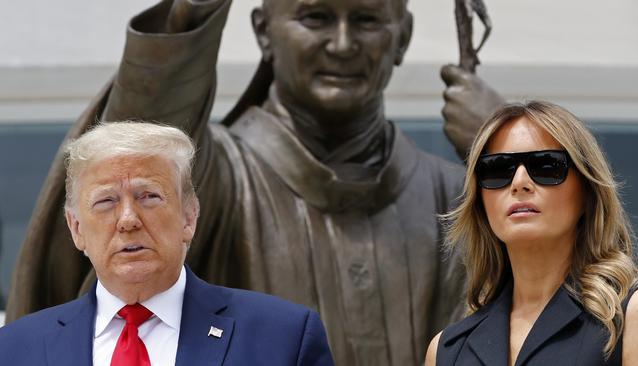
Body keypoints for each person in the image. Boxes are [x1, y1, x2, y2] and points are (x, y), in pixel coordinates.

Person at [8, 0, 503, 364]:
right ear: (264, 31)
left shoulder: (455, 195)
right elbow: (136, 144)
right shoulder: (217, 170)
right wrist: (189, 20)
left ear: (404, 36)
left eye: (369, 19)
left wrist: (502, 150)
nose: (344, 43)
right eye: (315, 17)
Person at [0, 122, 334, 366]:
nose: (128, 219)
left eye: (148, 197)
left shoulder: (284, 338)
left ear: (189, 218)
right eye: (106, 201)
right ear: (76, 229)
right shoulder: (15, 350)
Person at [425, 101, 638, 365]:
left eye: (546, 166)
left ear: (587, 191)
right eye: (498, 169)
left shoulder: (636, 315)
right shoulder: (447, 351)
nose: (520, 183)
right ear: (481, 200)